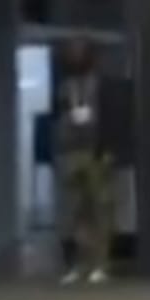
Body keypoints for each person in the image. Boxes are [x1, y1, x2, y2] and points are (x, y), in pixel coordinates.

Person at [53, 40, 113, 285]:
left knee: (98, 210)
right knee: (75, 212)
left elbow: (109, 117)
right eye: (71, 53)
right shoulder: (65, 88)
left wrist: (108, 150)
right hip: (70, 152)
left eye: (79, 51)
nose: (75, 57)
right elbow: (61, 119)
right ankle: (78, 264)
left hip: (94, 152)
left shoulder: (100, 86)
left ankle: (100, 265)